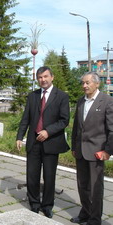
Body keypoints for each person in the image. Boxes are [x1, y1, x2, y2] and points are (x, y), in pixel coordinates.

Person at [16, 66, 70, 218]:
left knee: (49, 176)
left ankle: (47, 205)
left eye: (45, 76)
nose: (43, 80)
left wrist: (48, 131)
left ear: (52, 77)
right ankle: (34, 203)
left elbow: (64, 120)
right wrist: (19, 136)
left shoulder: (62, 96)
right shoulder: (32, 96)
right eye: (40, 77)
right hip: (33, 142)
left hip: (51, 142)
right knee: (32, 175)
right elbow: (25, 118)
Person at [70, 72, 113, 225]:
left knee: (95, 189)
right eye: (83, 83)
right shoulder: (81, 101)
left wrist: (107, 151)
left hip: (97, 152)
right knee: (82, 186)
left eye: (87, 83)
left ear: (97, 84)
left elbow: (112, 129)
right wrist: (74, 146)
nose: (84, 86)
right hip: (80, 151)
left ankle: (94, 220)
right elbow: (76, 126)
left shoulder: (107, 101)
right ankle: (85, 213)